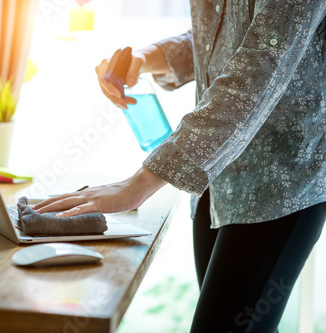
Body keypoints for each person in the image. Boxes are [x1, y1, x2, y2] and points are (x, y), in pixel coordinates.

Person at [35, 0, 326, 331]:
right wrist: (147, 58)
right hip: (216, 179)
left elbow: (260, 67)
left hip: (279, 183)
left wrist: (140, 183)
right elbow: (225, 33)